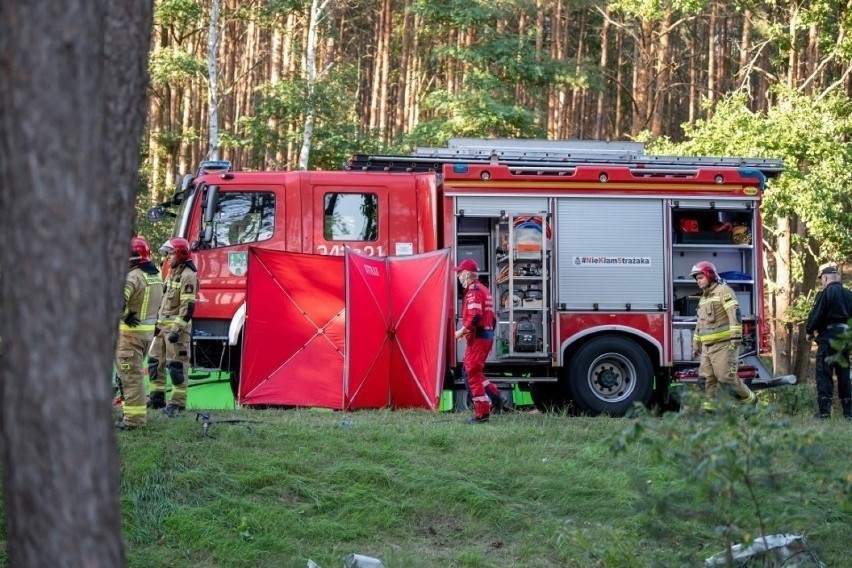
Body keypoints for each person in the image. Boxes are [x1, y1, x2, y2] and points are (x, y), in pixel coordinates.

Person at [690, 261, 757, 411]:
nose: (698, 281)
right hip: (707, 348)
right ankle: (709, 410)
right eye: (696, 279)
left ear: (709, 275)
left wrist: (735, 338)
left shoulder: (724, 291)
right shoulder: (703, 298)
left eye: (700, 277)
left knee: (726, 378)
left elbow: (734, 315)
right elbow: (700, 324)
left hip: (724, 345)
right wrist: (696, 344)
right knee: (705, 379)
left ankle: (750, 400)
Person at [115, 237, 164, 430]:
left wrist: (125, 315)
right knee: (128, 375)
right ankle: (130, 414)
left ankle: (133, 422)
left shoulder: (132, 277)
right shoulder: (154, 275)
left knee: (131, 377)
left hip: (129, 336)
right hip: (145, 336)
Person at [148, 237, 198, 417]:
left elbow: (188, 307)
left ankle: (177, 404)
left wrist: (176, 330)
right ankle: (156, 399)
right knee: (155, 362)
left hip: (176, 332)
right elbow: (163, 301)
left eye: (170, 253)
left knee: (176, 366)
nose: (168, 257)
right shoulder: (172, 272)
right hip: (162, 328)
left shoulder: (188, 276)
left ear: (179, 254)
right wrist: (156, 325)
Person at [805, 264, 852, 420]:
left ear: (825, 278)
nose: (822, 283)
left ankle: (824, 412)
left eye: (822, 280)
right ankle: (849, 413)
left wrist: (809, 331)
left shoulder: (825, 294)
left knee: (824, 373)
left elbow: (816, 315)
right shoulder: (849, 294)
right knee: (844, 374)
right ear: (837, 277)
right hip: (844, 339)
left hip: (828, 338)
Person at [454, 258, 497, 423]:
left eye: (460, 273)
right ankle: (496, 397)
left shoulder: (473, 291)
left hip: (479, 338)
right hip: (484, 337)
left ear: (466, 274)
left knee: (471, 373)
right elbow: (491, 318)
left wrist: (461, 331)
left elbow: (476, 315)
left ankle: (482, 414)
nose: (458, 277)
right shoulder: (484, 289)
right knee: (472, 371)